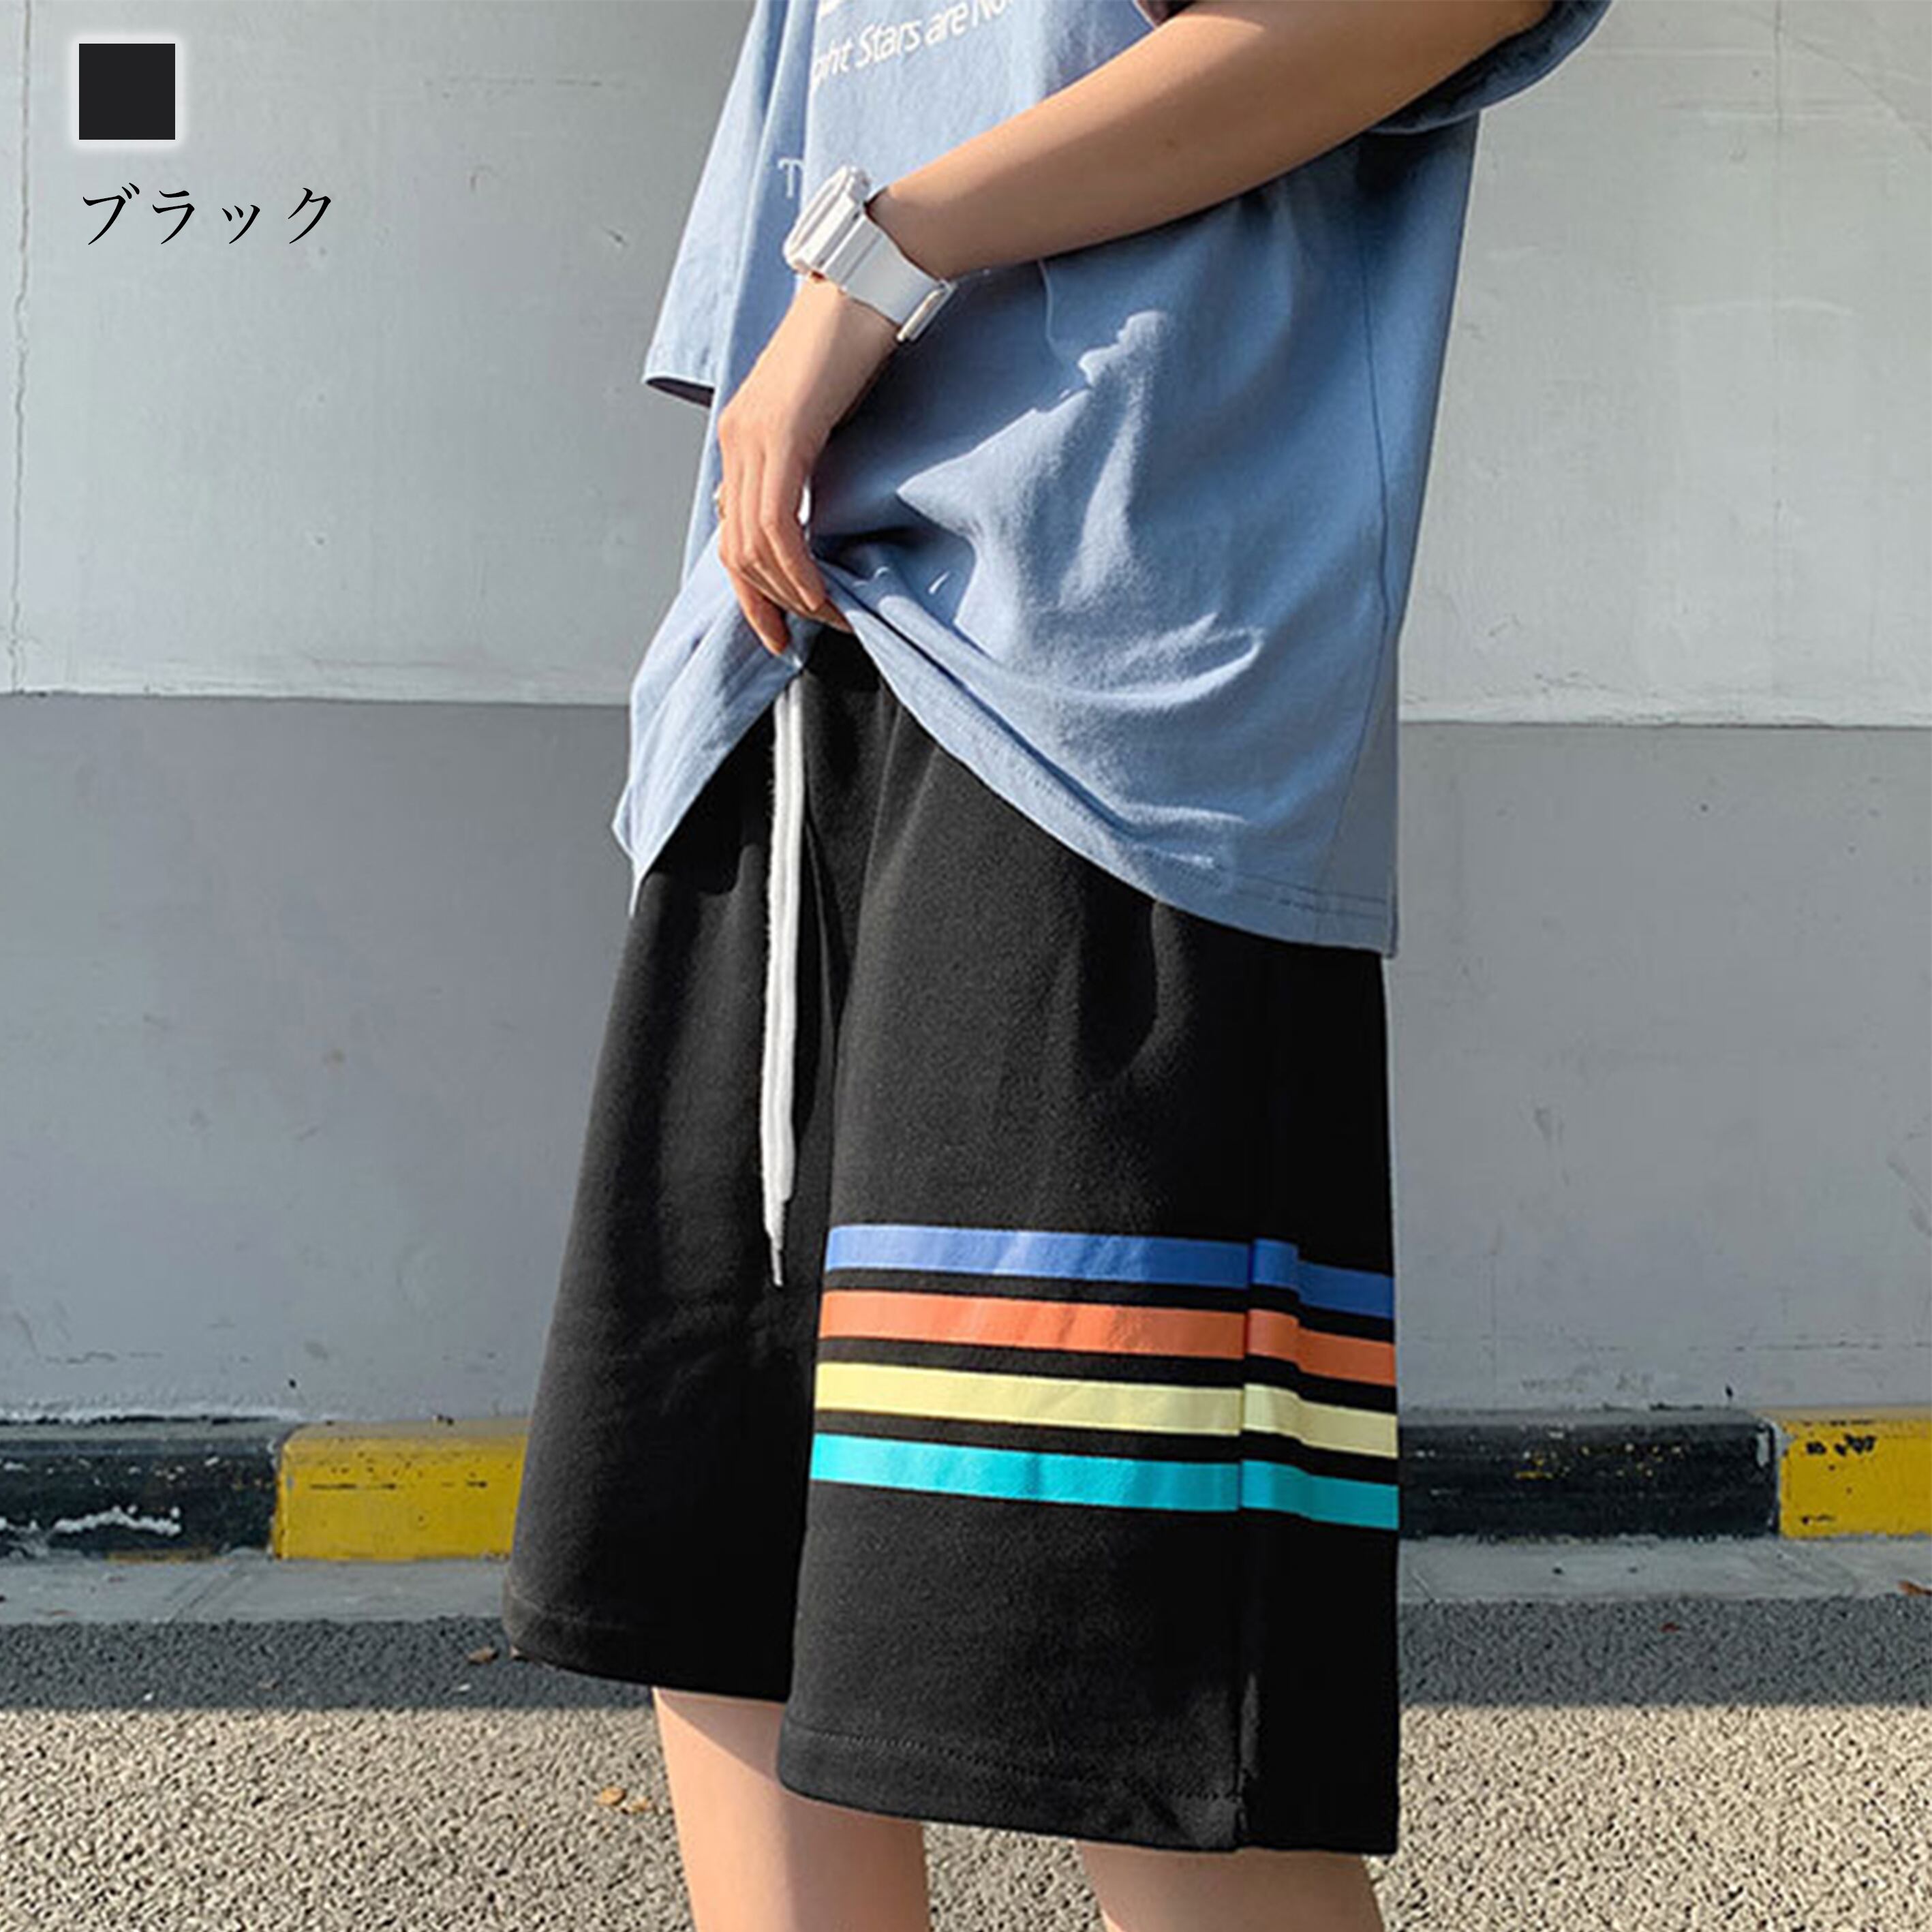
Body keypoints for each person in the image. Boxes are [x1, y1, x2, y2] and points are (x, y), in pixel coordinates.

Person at [502, 3, 1613, 1929]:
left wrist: (895, 247)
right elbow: (748, 337)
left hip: (1116, 716)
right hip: (775, 698)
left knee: (1137, 1693)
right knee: (722, 1596)